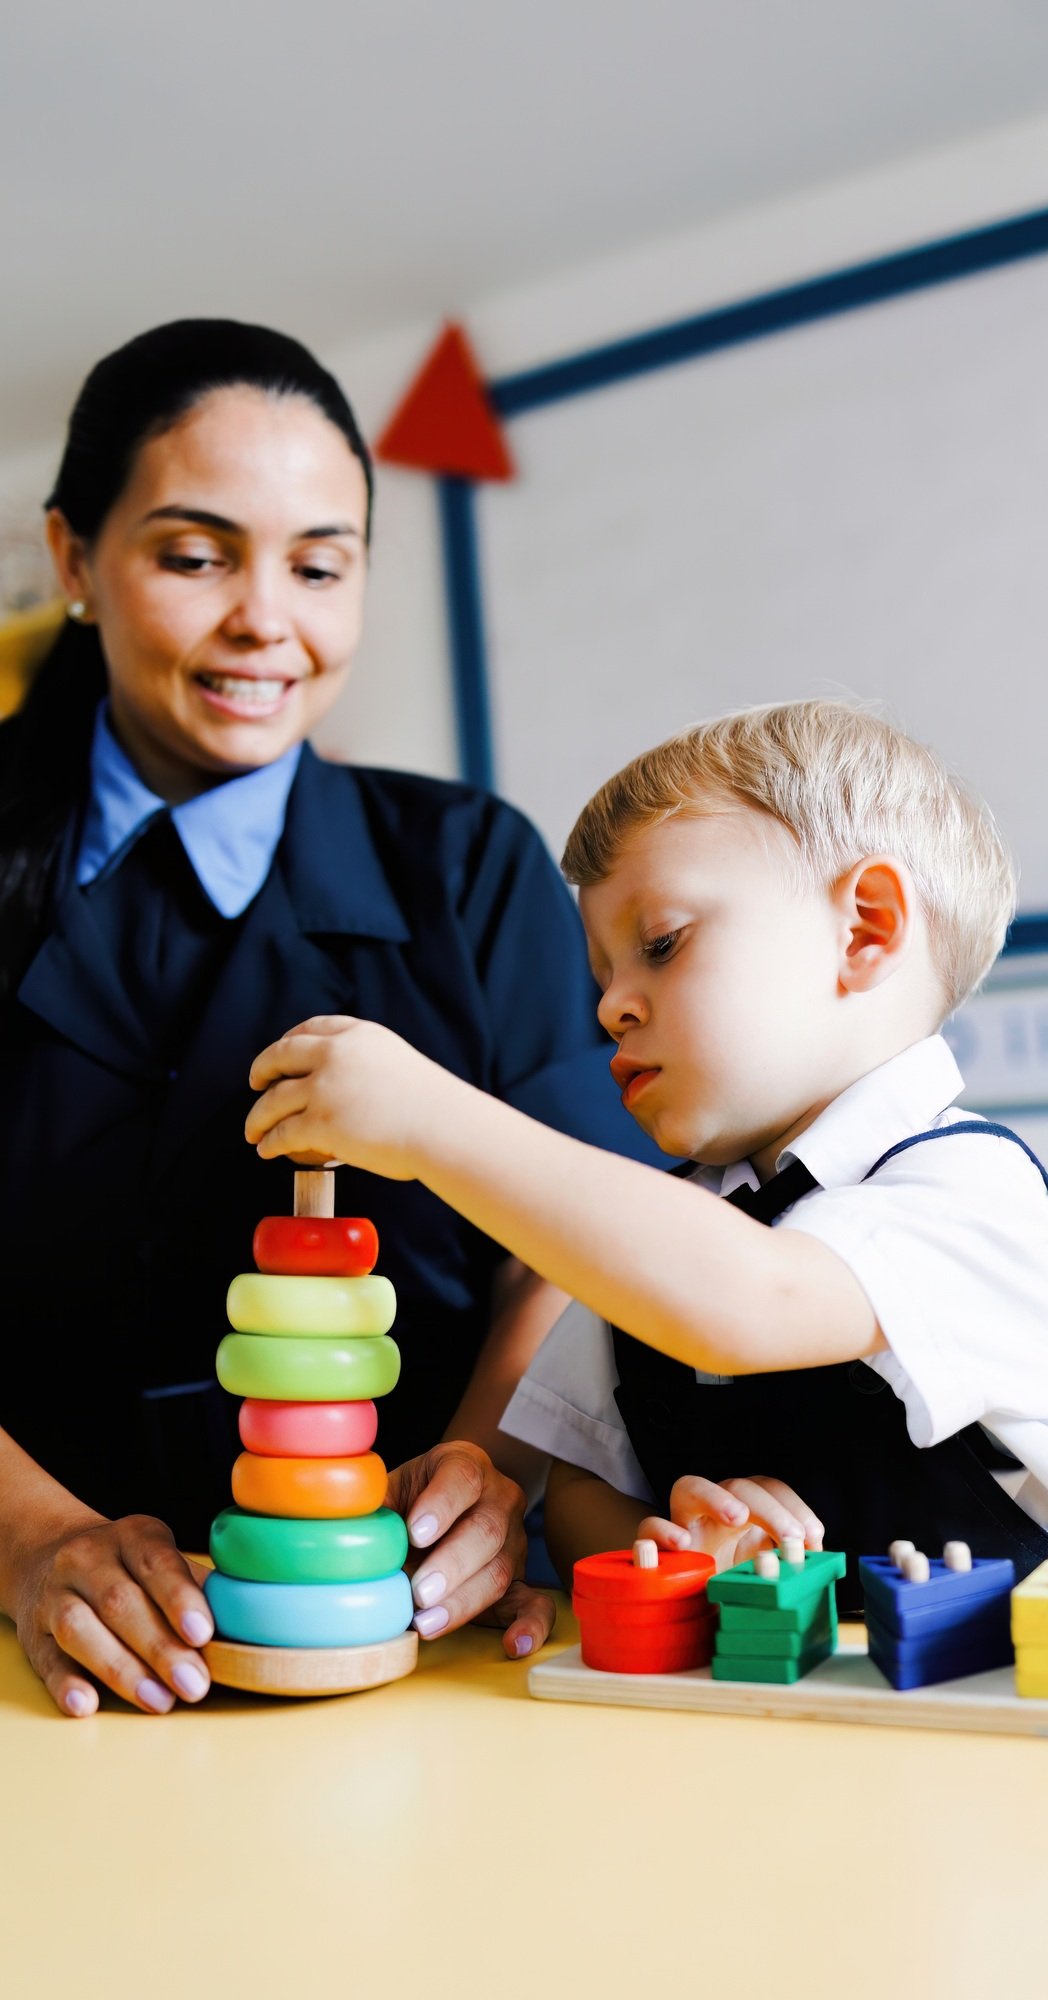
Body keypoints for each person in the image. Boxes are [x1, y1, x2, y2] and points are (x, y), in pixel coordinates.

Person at [0, 317, 659, 1719]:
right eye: (195, 556)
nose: (266, 621)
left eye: (320, 564)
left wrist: (493, 1467)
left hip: (410, 1647)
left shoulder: (469, 864)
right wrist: (31, 1538)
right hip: (41, 1648)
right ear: (73, 560)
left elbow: (578, 1232)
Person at [245, 699, 1048, 1613]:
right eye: (602, 977)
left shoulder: (967, 1191)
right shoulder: (663, 1232)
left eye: (661, 946)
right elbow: (583, 1489)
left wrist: (430, 1120)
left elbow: (748, 1297)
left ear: (864, 928)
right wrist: (673, 1543)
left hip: (1029, 1697)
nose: (611, 1008)